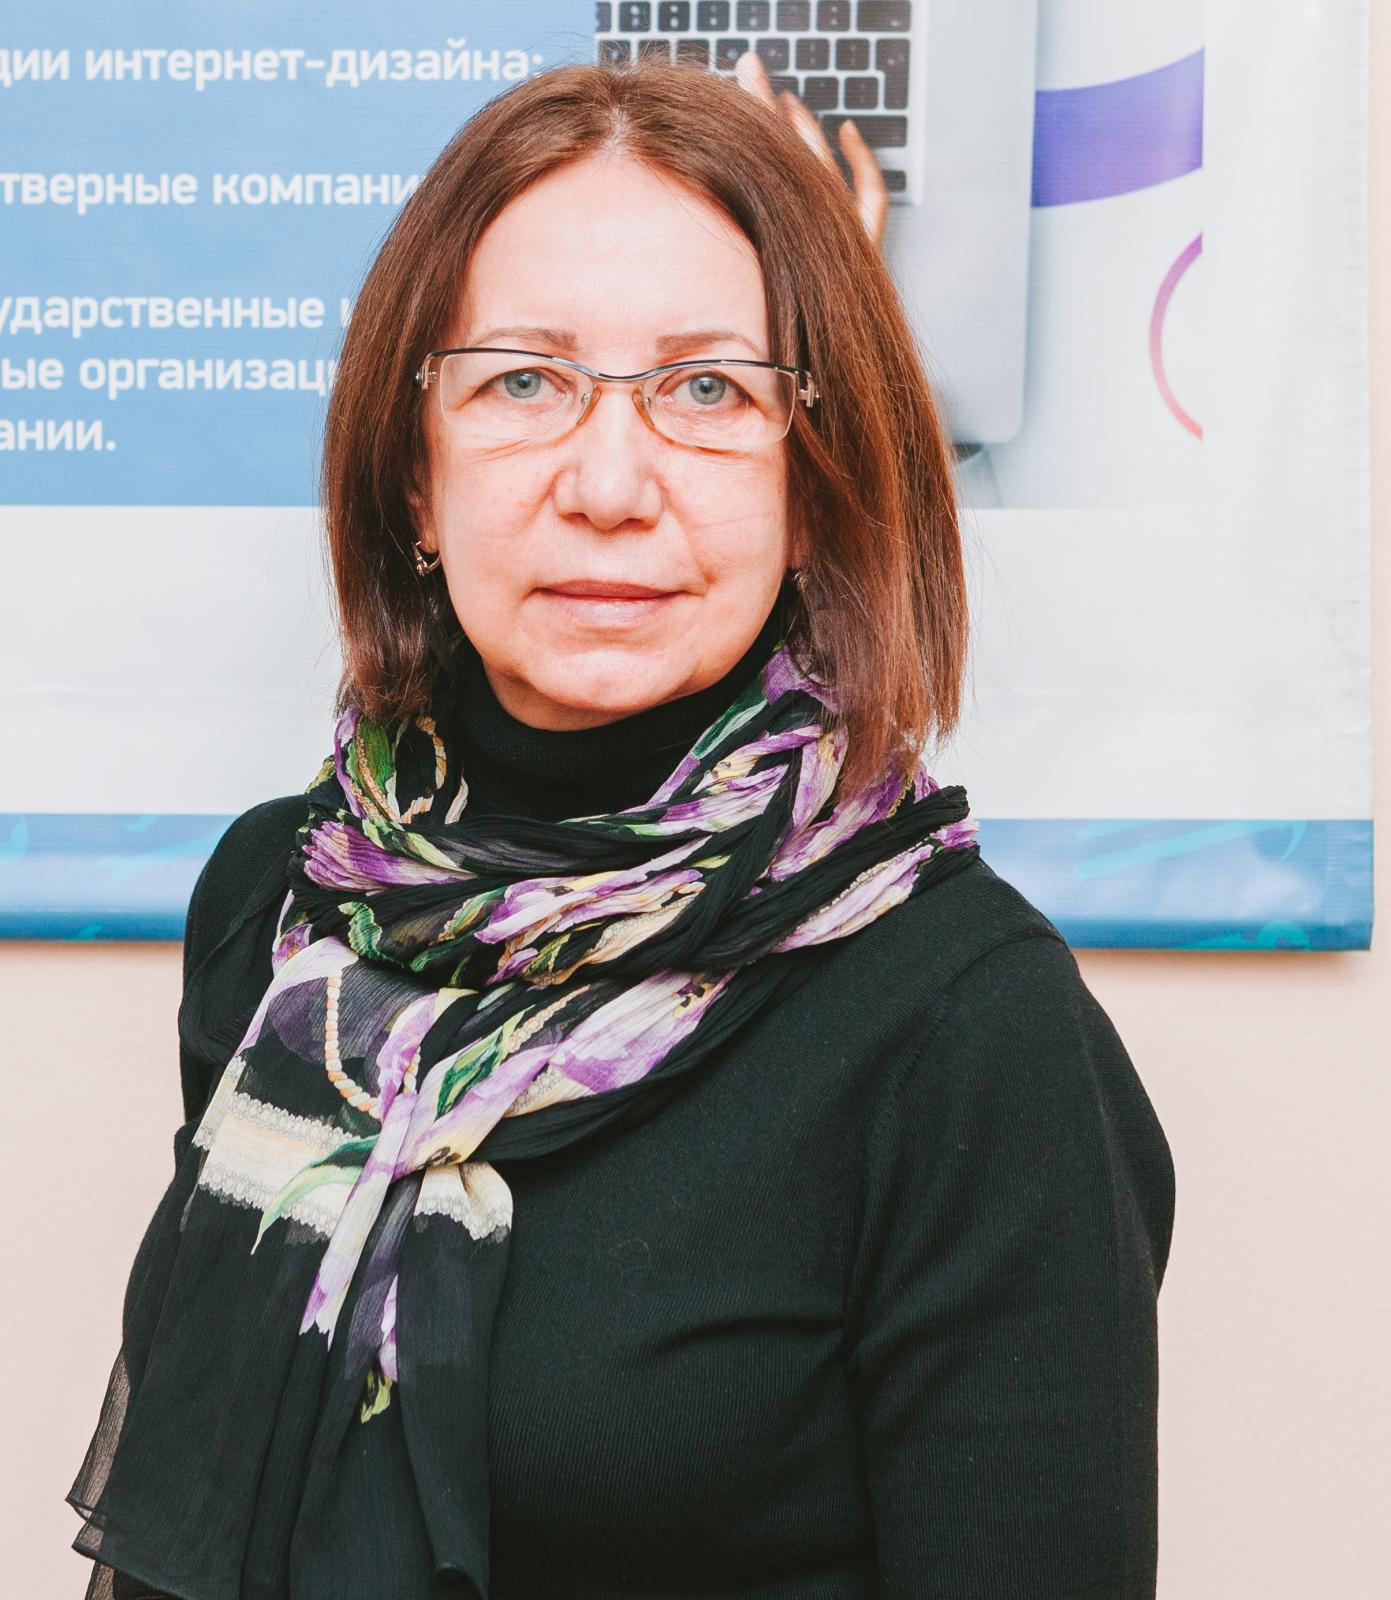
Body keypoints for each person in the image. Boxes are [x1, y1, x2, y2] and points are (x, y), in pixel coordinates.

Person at [67, 56, 1175, 1600]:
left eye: (707, 389)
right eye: (524, 382)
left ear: (813, 484)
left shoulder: (966, 1027)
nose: (607, 483)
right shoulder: (287, 899)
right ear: (414, 473)